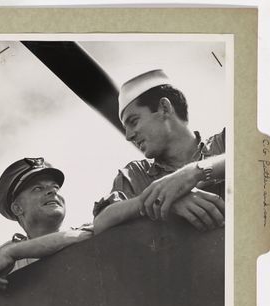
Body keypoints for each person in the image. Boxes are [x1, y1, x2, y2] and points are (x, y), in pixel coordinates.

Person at [93, 69, 226, 234]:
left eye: (133, 121)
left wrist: (192, 173)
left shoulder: (224, 142)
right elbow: (100, 222)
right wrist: (164, 198)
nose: (128, 136)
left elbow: (255, 156)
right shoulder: (135, 174)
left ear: (164, 107)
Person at [0, 157, 92, 292]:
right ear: (17, 208)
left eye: (55, 187)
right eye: (38, 188)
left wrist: (13, 252)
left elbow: (89, 235)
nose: (53, 191)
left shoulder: (84, 231)